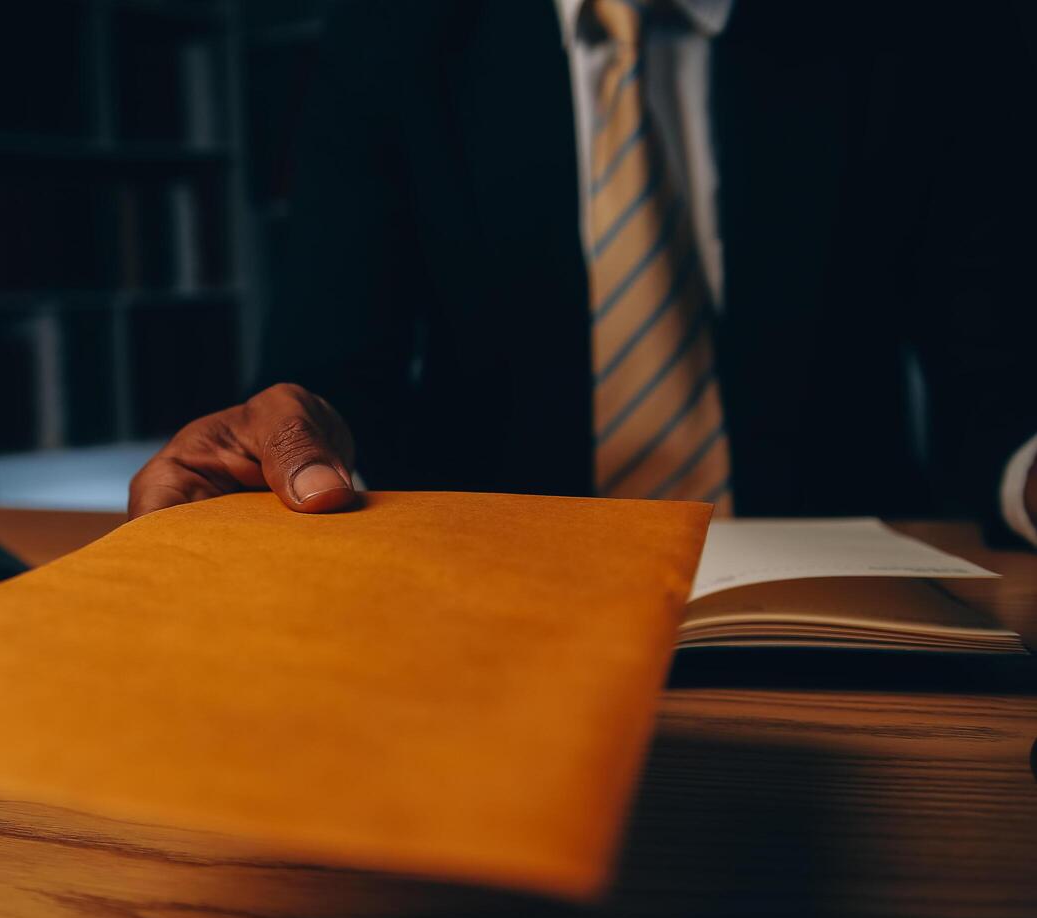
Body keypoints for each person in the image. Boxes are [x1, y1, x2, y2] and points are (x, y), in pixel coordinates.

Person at [129, 0, 1037, 548]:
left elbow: (993, 374)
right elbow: (333, 374)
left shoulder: (936, 29)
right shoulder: (393, 37)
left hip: (857, 602)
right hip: (493, 601)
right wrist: (276, 463)